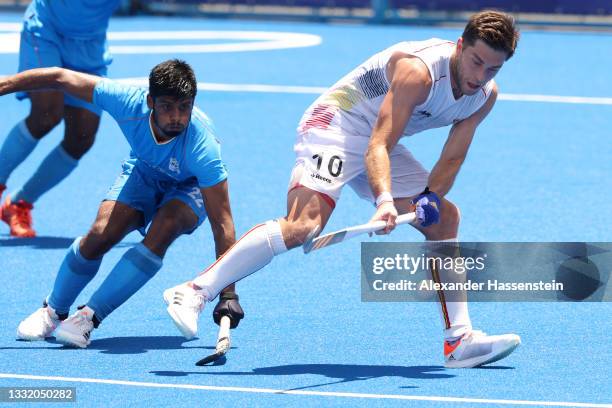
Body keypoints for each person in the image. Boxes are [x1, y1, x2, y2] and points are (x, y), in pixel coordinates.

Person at [164, 11, 521, 368]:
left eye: (493, 69)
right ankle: (195, 291)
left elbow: (452, 158)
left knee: (444, 219)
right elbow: (378, 145)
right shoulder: (419, 72)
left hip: (380, 139)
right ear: (461, 46)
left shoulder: (484, 96)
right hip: (336, 124)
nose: (480, 76)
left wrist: (429, 198)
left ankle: (459, 342)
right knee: (303, 225)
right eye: (476, 62)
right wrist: (384, 202)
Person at [3, 59, 243, 348]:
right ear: (150, 101)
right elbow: (59, 77)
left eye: (185, 107)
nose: (177, 117)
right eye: (167, 106)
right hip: (144, 171)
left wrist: (228, 292)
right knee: (100, 234)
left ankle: (88, 318)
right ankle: (53, 311)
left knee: (166, 226)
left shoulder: (203, 148)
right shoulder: (127, 103)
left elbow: (223, 223)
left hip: (188, 186)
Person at [0, 0, 120, 237]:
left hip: (90, 46)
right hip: (47, 29)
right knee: (46, 114)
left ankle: (19, 203)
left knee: (81, 137)